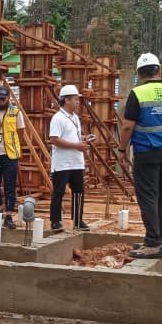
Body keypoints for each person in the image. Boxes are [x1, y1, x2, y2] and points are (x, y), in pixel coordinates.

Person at [116, 53, 162, 259]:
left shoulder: (138, 94)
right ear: (160, 70)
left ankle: (152, 243)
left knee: (148, 196)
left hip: (147, 151)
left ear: (139, 74)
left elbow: (127, 126)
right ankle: (160, 240)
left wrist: (121, 150)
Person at [49, 85, 90, 232]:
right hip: (62, 163)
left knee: (79, 192)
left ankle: (78, 220)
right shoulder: (58, 118)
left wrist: (84, 140)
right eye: (75, 99)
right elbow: (54, 139)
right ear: (66, 100)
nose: (78, 102)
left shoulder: (75, 118)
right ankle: (55, 221)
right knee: (58, 192)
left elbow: (73, 137)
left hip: (76, 162)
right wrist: (76, 145)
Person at [0, 85, 24, 230]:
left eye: (2, 99)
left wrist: (14, 146)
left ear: (8, 98)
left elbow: (21, 132)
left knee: (9, 185)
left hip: (10, 154)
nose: (0, 101)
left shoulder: (16, 113)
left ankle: (8, 215)